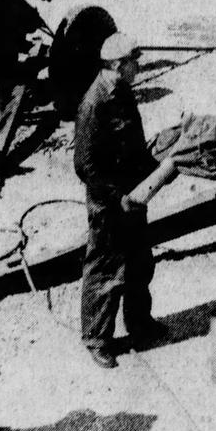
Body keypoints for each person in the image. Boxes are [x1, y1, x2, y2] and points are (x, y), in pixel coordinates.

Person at [73, 33, 165, 369]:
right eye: (132, 61)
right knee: (106, 270)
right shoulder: (95, 103)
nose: (137, 66)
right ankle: (97, 339)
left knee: (140, 263)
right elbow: (85, 165)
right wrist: (118, 197)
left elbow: (131, 143)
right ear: (116, 65)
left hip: (133, 194)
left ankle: (140, 325)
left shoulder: (121, 92)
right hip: (110, 202)